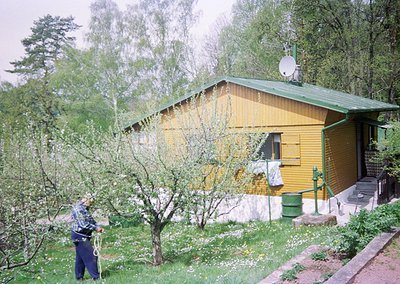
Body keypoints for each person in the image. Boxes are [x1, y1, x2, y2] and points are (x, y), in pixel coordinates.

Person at [71, 193, 105, 281]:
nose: (91, 204)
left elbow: (91, 220)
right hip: (79, 235)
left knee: (81, 257)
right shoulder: (78, 209)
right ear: (85, 199)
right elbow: (83, 224)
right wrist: (96, 228)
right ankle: (96, 277)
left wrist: (97, 225)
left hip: (84, 235)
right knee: (91, 256)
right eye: (91, 202)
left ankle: (79, 277)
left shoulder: (84, 209)